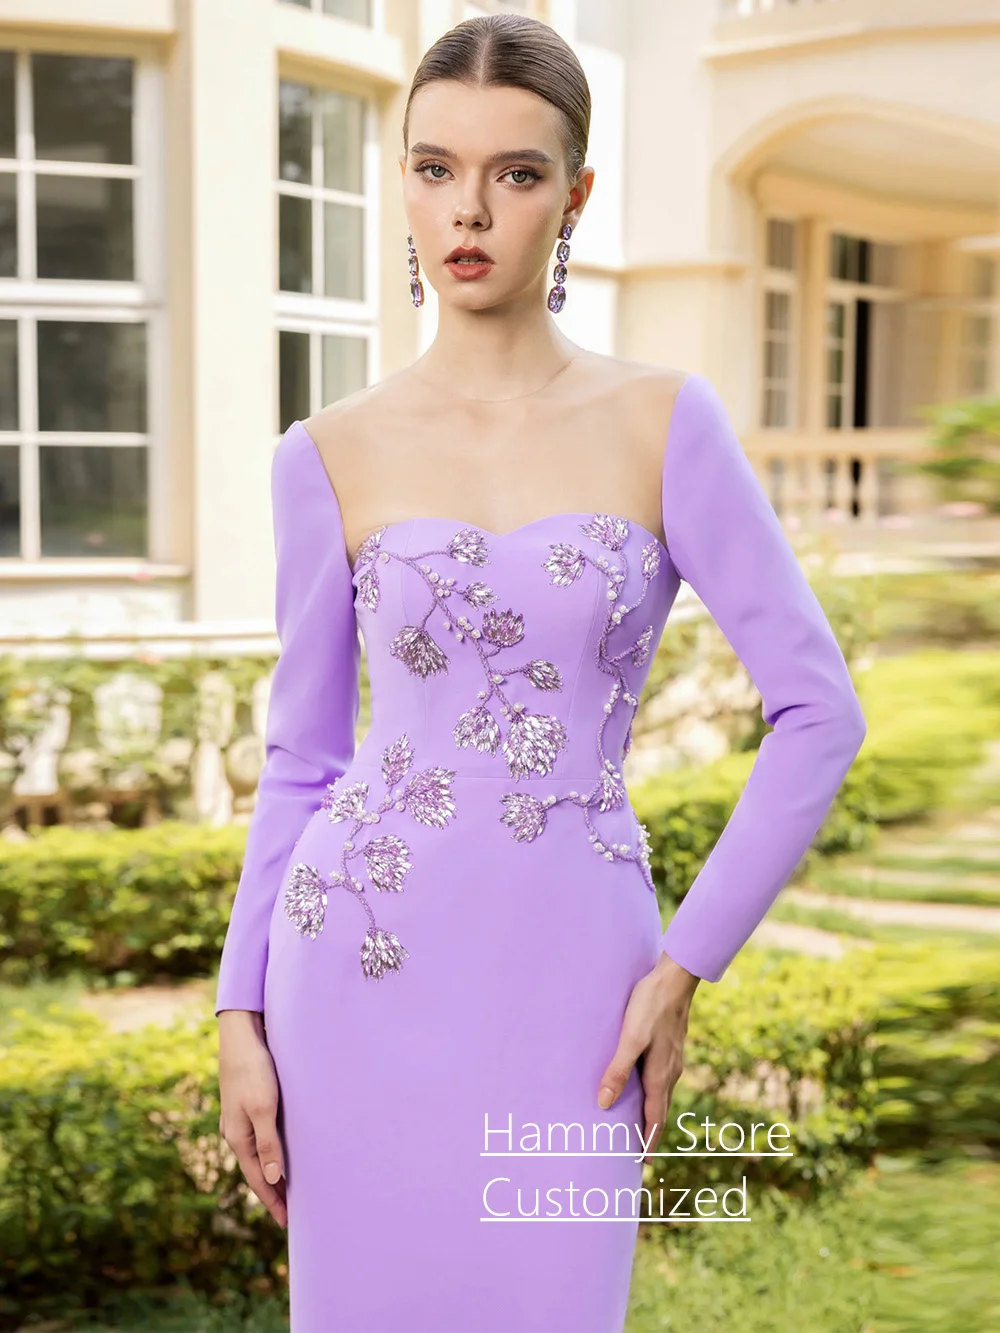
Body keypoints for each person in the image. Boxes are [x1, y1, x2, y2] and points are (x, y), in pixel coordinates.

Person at [215, 13, 866, 1331]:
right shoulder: (326, 451)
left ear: (574, 196)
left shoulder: (665, 422)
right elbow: (302, 758)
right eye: (435, 168)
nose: (469, 210)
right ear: (404, 183)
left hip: (576, 989)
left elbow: (819, 713)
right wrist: (240, 1012)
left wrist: (684, 966)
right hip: (354, 971)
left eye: (515, 174)